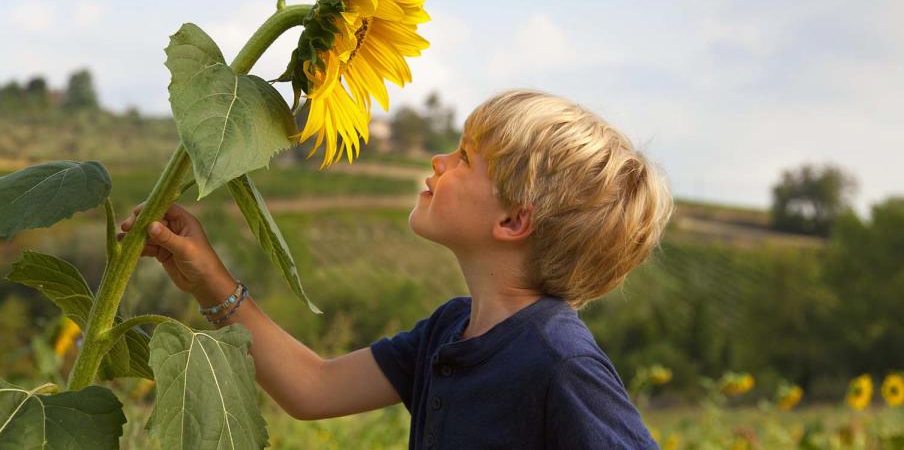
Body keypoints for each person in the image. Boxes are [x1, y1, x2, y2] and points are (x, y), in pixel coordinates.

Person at [118, 89, 673, 449]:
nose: (439, 161)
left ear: (512, 220)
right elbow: (314, 387)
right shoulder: (450, 331)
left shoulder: (560, 361)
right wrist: (207, 277)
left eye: (464, 158)